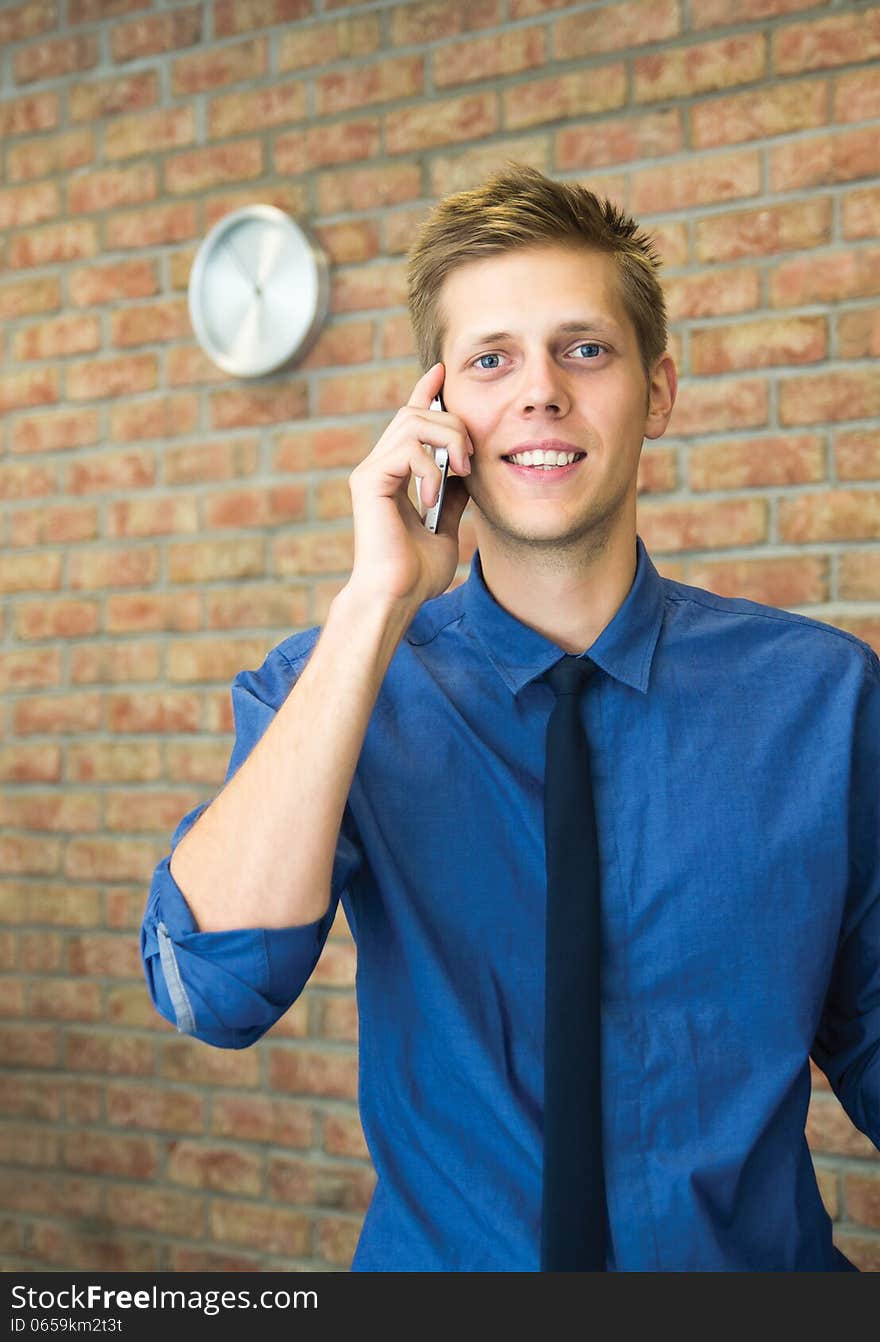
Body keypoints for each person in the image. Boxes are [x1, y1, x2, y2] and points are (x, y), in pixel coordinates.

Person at [141, 162, 877, 1271]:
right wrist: (373, 602)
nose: (539, 392)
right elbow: (213, 987)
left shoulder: (822, 699)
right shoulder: (341, 684)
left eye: (584, 349)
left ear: (658, 391)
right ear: (437, 414)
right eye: (491, 360)